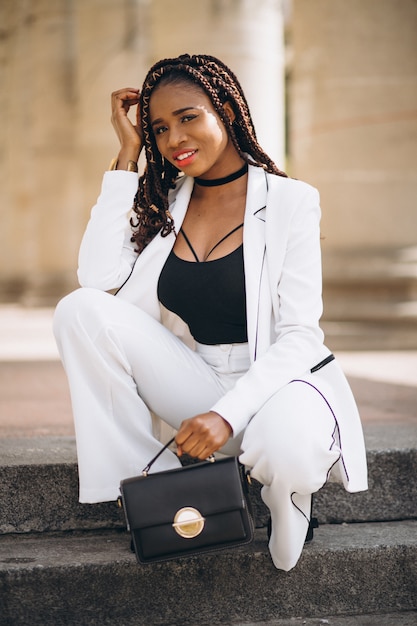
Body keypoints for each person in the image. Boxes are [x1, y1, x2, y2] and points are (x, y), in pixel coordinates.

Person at [53, 53, 368, 572]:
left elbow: (300, 337)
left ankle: (286, 499)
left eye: (188, 117)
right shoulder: (163, 203)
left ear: (225, 108)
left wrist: (226, 415)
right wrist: (126, 156)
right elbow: (96, 279)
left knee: (286, 449)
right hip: (196, 378)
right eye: (157, 128)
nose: (174, 138)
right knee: (80, 310)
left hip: (278, 388)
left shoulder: (290, 201)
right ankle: (145, 490)